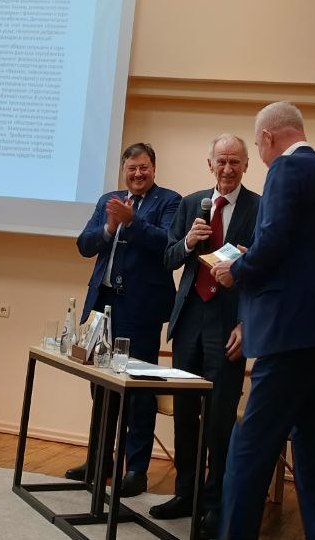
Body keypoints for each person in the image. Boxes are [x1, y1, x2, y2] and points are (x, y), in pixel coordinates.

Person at [212, 102, 315, 540]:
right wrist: (252, 258)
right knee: (313, 451)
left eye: (258, 146)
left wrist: (236, 269)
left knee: (250, 447)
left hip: (289, 335)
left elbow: (272, 243)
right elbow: (305, 252)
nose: (261, 154)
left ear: (269, 137)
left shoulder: (286, 169)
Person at [149, 134, 260, 539]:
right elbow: (168, 258)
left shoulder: (259, 207)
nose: (227, 169)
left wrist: (247, 324)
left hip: (229, 322)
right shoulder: (191, 203)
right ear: (209, 164)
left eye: (235, 162)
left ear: (246, 165)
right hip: (189, 319)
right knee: (185, 413)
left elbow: (264, 273)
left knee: (219, 418)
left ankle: (215, 502)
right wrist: (187, 242)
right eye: (221, 161)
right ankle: (186, 492)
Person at [66, 142, 181, 497]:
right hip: (102, 305)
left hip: (140, 309)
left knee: (138, 392)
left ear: (154, 168)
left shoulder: (170, 201)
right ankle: (100, 460)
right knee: (100, 386)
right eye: (132, 168)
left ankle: (136, 470)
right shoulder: (109, 200)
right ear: (124, 170)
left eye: (144, 167)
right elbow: (85, 245)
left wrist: (132, 222)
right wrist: (109, 227)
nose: (138, 174)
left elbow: (167, 244)